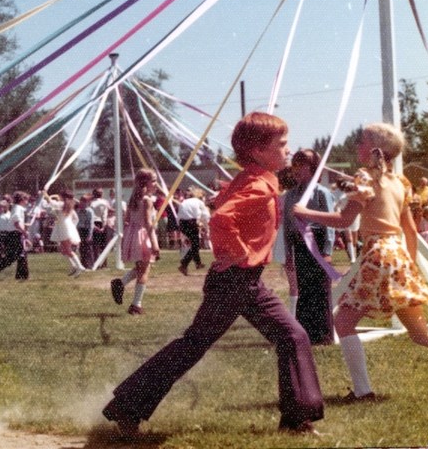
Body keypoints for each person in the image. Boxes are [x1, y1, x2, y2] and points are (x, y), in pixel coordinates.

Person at [102, 112, 323, 436]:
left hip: (245, 282)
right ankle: (127, 407)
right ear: (259, 151)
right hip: (235, 281)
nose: (288, 150)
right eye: (282, 144)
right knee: (197, 344)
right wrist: (238, 252)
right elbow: (221, 219)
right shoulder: (258, 184)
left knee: (292, 336)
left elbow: (227, 205)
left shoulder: (258, 178)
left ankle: (297, 421)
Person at [293, 123, 428, 402]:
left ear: (374, 150)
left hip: (379, 255)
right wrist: (408, 266)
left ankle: (363, 392)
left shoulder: (365, 178)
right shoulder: (401, 182)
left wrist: (305, 212)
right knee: (421, 334)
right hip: (398, 256)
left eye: (361, 141)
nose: (357, 145)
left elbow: (345, 220)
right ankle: (362, 392)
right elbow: (409, 230)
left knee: (343, 322)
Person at [281, 150, 335, 345]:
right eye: (294, 164)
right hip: (300, 246)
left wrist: (327, 250)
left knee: (320, 291)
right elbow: (287, 227)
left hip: (318, 244)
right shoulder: (290, 195)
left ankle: (325, 335)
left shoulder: (322, 193)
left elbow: (329, 223)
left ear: (313, 168)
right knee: (304, 290)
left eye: (302, 165)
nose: (296, 169)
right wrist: (288, 254)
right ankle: (307, 334)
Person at [110, 169, 161, 315]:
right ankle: (136, 305)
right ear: (146, 182)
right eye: (154, 181)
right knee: (144, 270)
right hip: (142, 235)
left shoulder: (133, 199)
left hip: (133, 235)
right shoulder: (147, 200)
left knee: (140, 267)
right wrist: (155, 244)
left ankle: (120, 283)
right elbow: (147, 223)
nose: (156, 184)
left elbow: (127, 220)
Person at [0, 191, 29, 280]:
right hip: (15, 234)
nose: (27, 202)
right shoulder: (18, 208)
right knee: (17, 255)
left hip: (13, 234)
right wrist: (24, 232)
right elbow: (16, 223)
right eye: (26, 200)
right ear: (22, 200)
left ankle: (21, 275)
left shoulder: (17, 208)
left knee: (19, 255)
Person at [44, 190, 86, 277]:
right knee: (64, 250)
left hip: (64, 228)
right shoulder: (68, 205)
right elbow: (75, 219)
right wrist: (72, 227)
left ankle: (79, 266)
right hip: (66, 227)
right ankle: (74, 266)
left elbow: (50, 202)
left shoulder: (62, 204)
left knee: (67, 250)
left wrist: (45, 193)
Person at [176, 187, 209, 275]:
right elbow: (205, 216)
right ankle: (184, 264)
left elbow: (179, 215)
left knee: (195, 244)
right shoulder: (199, 202)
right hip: (191, 223)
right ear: (201, 196)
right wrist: (207, 229)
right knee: (196, 245)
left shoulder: (185, 201)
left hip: (182, 223)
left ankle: (198, 263)